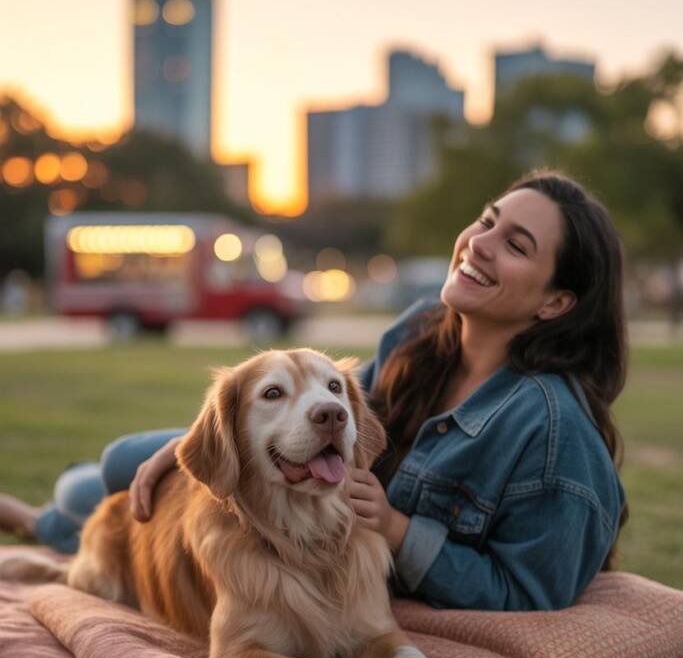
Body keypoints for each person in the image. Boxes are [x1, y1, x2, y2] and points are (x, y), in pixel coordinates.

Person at [0, 171, 627, 611]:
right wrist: (193, 448)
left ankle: (44, 525)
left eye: (515, 245)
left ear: (557, 301)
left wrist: (399, 531)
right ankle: (57, 524)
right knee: (120, 467)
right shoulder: (419, 330)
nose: (478, 244)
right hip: (307, 476)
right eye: (488, 221)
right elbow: (329, 416)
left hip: (342, 534)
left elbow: (528, 593)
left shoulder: (553, 432)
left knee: (96, 485)